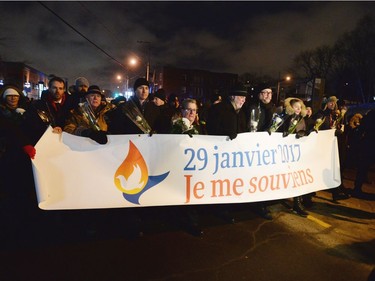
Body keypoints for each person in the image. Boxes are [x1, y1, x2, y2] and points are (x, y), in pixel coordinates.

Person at [206, 82, 248, 223]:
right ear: (232, 97)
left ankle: (228, 207)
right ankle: (220, 209)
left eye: (245, 97)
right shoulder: (218, 109)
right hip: (220, 154)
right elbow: (211, 129)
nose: (243, 100)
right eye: (241, 96)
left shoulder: (241, 112)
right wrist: (227, 134)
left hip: (234, 156)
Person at [245, 87, 277, 220]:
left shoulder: (273, 108)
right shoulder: (252, 107)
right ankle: (254, 203)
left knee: (264, 177)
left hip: (266, 148)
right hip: (253, 146)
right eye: (265, 92)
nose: (268, 95)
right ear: (259, 95)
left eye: (270, 93)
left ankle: (261, 204)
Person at [313, 96, 350, 203]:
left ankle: (336, 192)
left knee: (335, 168)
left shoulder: (337, 114)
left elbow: (342, 127)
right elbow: (319, 127)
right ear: (326, 103)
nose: (332, 104)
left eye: (334, 103)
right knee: (319, 168)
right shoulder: (321, 113)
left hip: (336, 144)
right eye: (330, 102)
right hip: (324, 145)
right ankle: (309, 192)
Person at [22, 76, 75, 146]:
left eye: (60, 88)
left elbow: (73, 122)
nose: (57, 91)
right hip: (45, 141)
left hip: (65, 142)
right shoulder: (38, 105)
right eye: (54, 88)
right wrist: (50, 129)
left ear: (64, 90)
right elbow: (32, 124)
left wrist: (63, 128)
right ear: (49, 89)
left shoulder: (71, 104)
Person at [278, 97, 309, 217]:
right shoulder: (285, 117)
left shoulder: (301, 119)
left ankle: (297, 203)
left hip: (296, 155)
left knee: (297, 178)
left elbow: (305, 131)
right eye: (296, 106)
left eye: (300, 107)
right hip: (283, 153)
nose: (298, 109)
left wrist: (303, 133)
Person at [351, 109, 375, 198]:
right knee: (363, 167)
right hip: (369, 144)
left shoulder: (370, 114)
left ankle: (357, 188)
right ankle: (357, 188)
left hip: (368, 143)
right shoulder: (371, 114)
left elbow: (363, 127)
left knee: (363, 167)